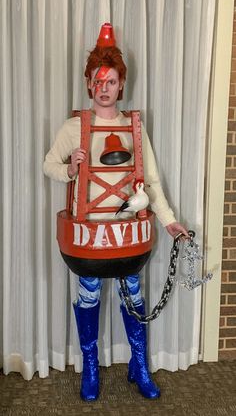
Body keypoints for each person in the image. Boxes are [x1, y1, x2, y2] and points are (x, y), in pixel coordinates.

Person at [43, 23, 188, 401]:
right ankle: (90, 366)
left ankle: (139, 365)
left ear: (121, 84)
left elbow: (151, 180)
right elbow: (48, 165)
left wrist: (169, 220)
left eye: (111, 81)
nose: (104, 87)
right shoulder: (74, 128)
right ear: (89, 84)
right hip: (90, 232)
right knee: (89, 292)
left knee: (132, 293)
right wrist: (69, 169)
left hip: (126, 232)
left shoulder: (134, 128)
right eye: (97, 80)